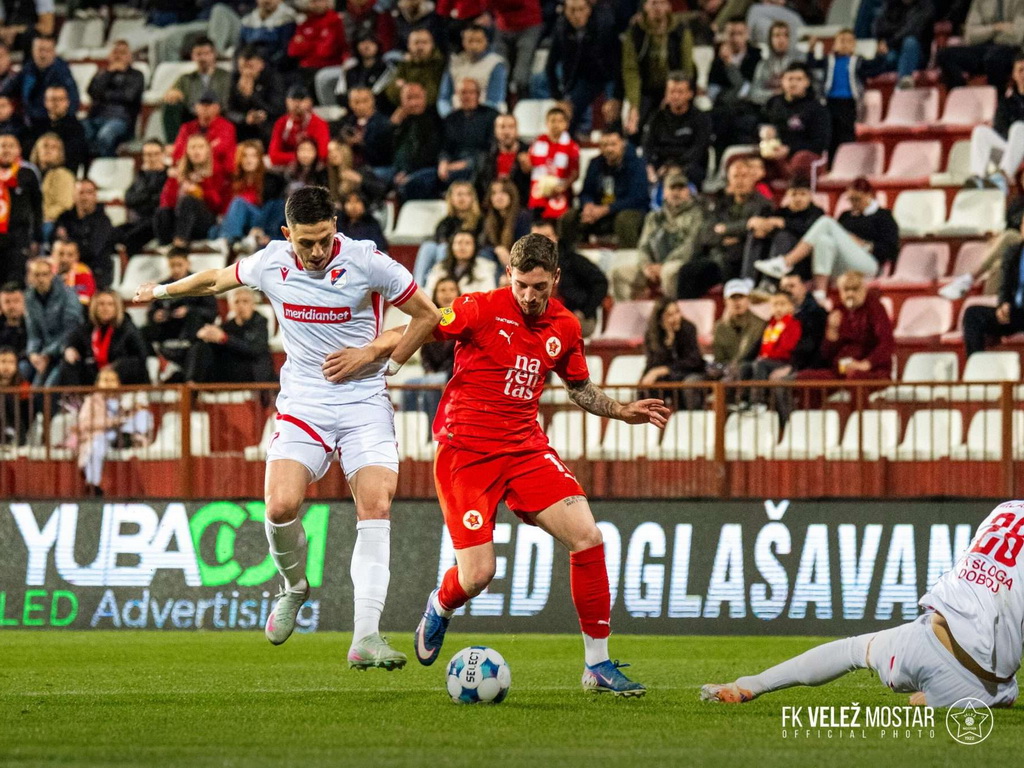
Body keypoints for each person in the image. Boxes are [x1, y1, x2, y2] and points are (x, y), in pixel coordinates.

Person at [342, 233, 669, 693]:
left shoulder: (566, 327)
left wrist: (621, 410)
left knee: (588, 537)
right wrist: (374, 351)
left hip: (525, 450)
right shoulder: (478, 307)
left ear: (555, 278)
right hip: (466, 454)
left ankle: (596, 665)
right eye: (521, 286)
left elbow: (579, 388)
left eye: (539, 287)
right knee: (478, 574)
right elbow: (421, 324)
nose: (530, 296)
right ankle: (440, 605)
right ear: (507, 277)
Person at [133, 185, 442, 668]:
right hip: (304, 402)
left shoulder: (368, 261)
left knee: (376, 505)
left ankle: (366, 636)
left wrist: (381, 356)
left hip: (364, 401)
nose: (317, 252)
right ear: (286, 235)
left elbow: (429, 315)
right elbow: (217, 280)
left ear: (335, 228)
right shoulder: (271, 262)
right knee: (279, 506)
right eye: (306, 243)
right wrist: (163, 290)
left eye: (324, 239)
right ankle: (295, 586)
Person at [702, 500, 1023, 708]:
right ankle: (943, 697)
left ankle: (750, 685)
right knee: (1005, 689)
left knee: (854, 650)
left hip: (920, 643)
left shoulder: (1005, 510)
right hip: (977, 682)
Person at [755, 177, 899, 291]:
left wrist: (865, 245)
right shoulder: (845, 215)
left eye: (857, 199)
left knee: (826, 222)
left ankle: (786, 262)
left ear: (869, 196)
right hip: (841, 264)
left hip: (868, 263)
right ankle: (820, 293)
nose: (853, 203)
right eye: (850, 199)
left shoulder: (883, 216)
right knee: (824, 241)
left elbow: (891, 250)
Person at [680, 158, 773, 298]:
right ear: (729, 180)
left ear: (753, 178)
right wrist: (745, 226)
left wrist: (725, 229)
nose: (740, 181)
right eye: (736, 176)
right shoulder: (720, 202)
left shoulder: (764, 204)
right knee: (688, 271)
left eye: (744, 176)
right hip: (717, 257)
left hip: (741, 260)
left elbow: (758, 232)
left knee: (729, 265)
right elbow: (705, 233)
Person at [613, 170, 703, 301]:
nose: (676, 192)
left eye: (681, 188)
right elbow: (643, 245)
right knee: (619, 274)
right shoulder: (654, 217)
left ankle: (670, 315)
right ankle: (628, 318)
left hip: (679, 264)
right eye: (672, 188)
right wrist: (646, 266)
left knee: (669, 273)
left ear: (688, 191)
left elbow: (691, 246)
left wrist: (663, 266)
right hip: (652, 266)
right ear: (665, 192)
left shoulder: (697, 215)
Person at [794, 271, 894, 383]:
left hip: (872, 371)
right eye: (846, 290)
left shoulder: (875, 308)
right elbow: (827, 355)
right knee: (803, 378)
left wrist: (867, 364)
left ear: (863, 290)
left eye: (855, 289)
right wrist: (831, 334)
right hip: (840, 372)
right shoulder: (838, 311)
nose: (850, 294)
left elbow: (886, 343)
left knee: (855, 378)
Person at [141, 248, 219, 381]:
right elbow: (151, 312)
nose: (176, 269)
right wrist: (155, 315)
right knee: (141, 333)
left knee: (198, 336)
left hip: (193, 334)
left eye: (179, 265)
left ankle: (190, 384)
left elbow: (212, 313)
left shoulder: (201, 284)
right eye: (172, 265)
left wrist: (189, 310)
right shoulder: (162, 287)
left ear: (188, 263)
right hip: (168, 331)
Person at [76, 366, 154, 497]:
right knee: (98, 444)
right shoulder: (92, 401)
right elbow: (84, 424)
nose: (109, 384)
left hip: (121, 430)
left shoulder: (123, 399)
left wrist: (132, 411)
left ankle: (129, 437)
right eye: (105, 380)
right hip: (102, 433)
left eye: (113, 380)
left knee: (144, 415)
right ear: (98, 383)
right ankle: (93, 484)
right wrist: (111, 422)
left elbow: (126, 418)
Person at [545, 0, 620, 136]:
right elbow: (550, 65)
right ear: (565, 10)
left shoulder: (606, 24)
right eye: (572, 10)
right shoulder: (561, 27)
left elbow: (618, 62)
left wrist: (616, 96)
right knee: (567, 115)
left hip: (609, 75)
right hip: (583, 79)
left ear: (589, 9)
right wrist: (559, 98)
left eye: (580, 9)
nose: (576, 15)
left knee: (613, 113)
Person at [621, 0, 695, 135]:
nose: (658, 8)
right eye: (654, 3)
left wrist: (672, 94)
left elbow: (687, 69)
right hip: (645, 90)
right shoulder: (635, 32)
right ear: (645, 6)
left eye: (662, 3)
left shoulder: (680, 30)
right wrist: (634, 105)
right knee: (634, 126)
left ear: (668, 6)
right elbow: (631, 71)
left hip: (675, 87)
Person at [566, 129, 648, 248]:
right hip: (598, 210)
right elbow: (585, 192)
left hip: (628, 210)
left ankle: (629, 258)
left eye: (613, 144)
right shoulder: (595, 163)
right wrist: (588, 205)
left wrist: (607, 209)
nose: (609, 149)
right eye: (604, 145)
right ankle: (571, 258)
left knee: (625, 220)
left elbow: (637, 198)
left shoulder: (637, 164)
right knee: (569, 218)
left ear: (622, 144)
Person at [530, 217, 608, 338]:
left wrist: (585, 311)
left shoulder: (574, 261)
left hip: (575, 316)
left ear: (556, 238)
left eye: (547, 237)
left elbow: (601, 283)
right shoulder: (524, 266)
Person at [741, 177, 824, 283]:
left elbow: (810, 230)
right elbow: (770, 224)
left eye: (803, 194)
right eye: (794, 194)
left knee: (783, 236)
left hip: (802, 260)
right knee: (756, 234)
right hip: (776, 252)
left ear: (810, 196)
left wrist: (784, 223)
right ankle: (748, 280)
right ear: (787, 195)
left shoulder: (816, 213)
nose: (798, 198)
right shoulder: (781, 212)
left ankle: (769, 283)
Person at [184, 287, 275, 384]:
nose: (241, 306)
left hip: (253, 371)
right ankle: (191, 385)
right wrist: (205, 335)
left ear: (253, 304)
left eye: (245, 301)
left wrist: (224, 338)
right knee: (200, 347)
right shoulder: (228, 326)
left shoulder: (260, 322)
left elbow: (255, 349)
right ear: (230, 305)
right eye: (236, 302)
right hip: (230, 371)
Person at [58, 290, 148, 387]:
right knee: (67, 363)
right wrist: (69, 349)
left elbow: (140, 356)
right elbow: (71, 341)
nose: (105, 308)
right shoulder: (87, 327)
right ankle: (73, 399)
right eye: (101, 304)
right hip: (93, 373)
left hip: (120, 376)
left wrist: (115, 366)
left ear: (117, 307)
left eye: (110, 304)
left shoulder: (127, 328)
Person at [154, 135, 229, 249]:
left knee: (189, 200)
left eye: (200, 147)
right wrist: (179, 185)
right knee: (162, 211)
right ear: (187, 151)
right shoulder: (178, 174)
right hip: (180, 219)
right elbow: (166, 202)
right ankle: (164, 246)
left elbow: (217, 204)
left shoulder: (217, 172)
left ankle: (180, 242)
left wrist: (201, 189)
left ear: (208, 151)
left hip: (205, 222)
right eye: (193, 147)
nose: (196, 151)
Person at [401, 276, 458, 425]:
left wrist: (441, 374)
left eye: (452, 290)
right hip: (433, 374)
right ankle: (414, 434)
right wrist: (429, 370)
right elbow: (424, 354)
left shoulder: (464, 317)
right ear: (435, 294)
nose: (447, 294)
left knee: (433, 382)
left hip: (454, 375)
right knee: (408, 384)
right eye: (442, 290)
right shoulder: (429, 320)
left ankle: (433, 432)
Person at [760, 63, 830, 181]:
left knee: (800, 159)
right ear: (782, 81)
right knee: (746, 158)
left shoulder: (817, 109)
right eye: (789, 79)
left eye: (799, 79)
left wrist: (789, 149)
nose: (793, 83)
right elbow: (758, 123)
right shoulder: (773, 103)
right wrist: (762, 131)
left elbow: (820, 143)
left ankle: (797, 194)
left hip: (802, 154)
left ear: (807, 82)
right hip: (773, 152)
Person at [642, 74, 712, 188]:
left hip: (689, 165)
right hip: (660, 164)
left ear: (690, 94)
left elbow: (699, 148)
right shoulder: (656, 117)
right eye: (671, 92)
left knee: (693, 172)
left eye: (680, 92)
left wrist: (675, 167)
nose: (675, 96)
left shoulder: (701, 118)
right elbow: (647, 145)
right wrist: (649, 167)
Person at [937, 0, 1024, 93]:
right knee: (945, 55)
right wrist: (996, 28)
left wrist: (985, 33)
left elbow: (1017, 36)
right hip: (984, 47)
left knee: (993, 57)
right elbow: (970, 36)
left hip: (1012, 49)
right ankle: (961, 96)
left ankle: (999, 99)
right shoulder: (980, 2)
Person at [219, 139, 287, 253]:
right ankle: (234, 241)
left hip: (261, 220)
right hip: (237, 224)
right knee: (216, 227)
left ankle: (231, 241)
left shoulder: (271, 180)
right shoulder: (232, 181)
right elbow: (225, 211)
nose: (249, 160)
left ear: (259, 159)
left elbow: (274, 207)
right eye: (245, 156)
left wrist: (260, 229)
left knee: (238, 202)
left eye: (253, 156)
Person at [162, 37, 232, 143]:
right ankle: (173, 144)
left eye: (206, 53)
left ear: (214, 54)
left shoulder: (226, 77)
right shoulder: (185, 78)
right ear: (193, 56)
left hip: (221, 117)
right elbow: (171, 93)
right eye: (198, 54)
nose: (202, 58)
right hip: (193, 119)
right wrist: (172, 93)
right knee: (171, 104)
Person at [639, 298, 705, 410]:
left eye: (677, 312)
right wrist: (668, 342)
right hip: (668, 377)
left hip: (689, 372)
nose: (676, 318)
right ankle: (652, 422)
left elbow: (694, 361)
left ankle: (687, 420)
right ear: (660, 320)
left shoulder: (688, 328)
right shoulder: (652, 334)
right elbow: (653, 363)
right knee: (649, 385)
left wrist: (664, 369)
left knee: (686, 384)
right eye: (669, 315)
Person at [82, 40, 145, 158]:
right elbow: (92, 92)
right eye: (115, 52)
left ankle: (106, 168)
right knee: (80, 131)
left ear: (130, 57)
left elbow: (129, 96)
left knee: (105, 135)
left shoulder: (136, 75)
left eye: (122, 53)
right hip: (96, 116)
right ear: (109, 56)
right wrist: (109, 74)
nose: (118, 56)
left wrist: (105, 95)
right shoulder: (102, 73)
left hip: (121, 119)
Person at [963, 236, 1024, 356]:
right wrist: (1003, 304)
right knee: (973, 314)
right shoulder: (1014, 252)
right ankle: (976, 367)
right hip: (1016, 313)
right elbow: (1005, 285)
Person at [1, 36, 78, 128]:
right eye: (40, 50)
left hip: (54, 125)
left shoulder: (62, 73)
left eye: (47, 50)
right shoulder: (28, 69)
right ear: (33, 51)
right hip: (28, 123)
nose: (43, 55)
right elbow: (6, 90)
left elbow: (72, 104)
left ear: (54, 52)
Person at [24, 257, 79, 386]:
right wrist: (32, 353)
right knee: (34, 388)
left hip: (66, 349)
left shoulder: (68, 295)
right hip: (45, 353)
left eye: (45, 274)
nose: (41, 279)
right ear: (30, 277)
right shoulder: (29, 298)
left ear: (52, 275)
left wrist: (47, 353)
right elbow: (33, 332)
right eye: (37, 275)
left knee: (49, 388)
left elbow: (72, 330)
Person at [970, 52, 1024, 180]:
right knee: (980, 131)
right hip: (1013, 149)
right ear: (1014, 75)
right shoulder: (1006, 102)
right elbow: (999, 128)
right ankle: (977, 177)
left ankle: (1004, 176)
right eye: (1020, 70)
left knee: (1019, 127)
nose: (1023, 74)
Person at [52, 180, 113, 290]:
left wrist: (68, 242)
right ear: (74, 195)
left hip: (95, 271)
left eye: (89, 193)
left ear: (95, 196)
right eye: (81, 193)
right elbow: (54, 243)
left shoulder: (103, 221)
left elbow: (92, 250)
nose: (84, 197)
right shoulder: (64, 217)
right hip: (64, 270)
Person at [437, 24, 508, 117]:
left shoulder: (496, 64)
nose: (474, 45)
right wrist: (449, 116)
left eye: (478, 41)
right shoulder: (454, 62)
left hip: (486, 116)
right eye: (470, 41)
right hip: (456, 115)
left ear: (486, 41)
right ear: (463, 42)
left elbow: (495, 99)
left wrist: (475, 120)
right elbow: (443, 98)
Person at [112, 140, 168, 258]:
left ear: (163, 154)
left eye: (155, 154)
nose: (151, 158)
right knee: (112, 233)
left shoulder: (168, 176)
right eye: (147, 154)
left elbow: (159, 201)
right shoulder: (141, 175)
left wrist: (142, 198)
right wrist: (148, 196)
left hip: (158, 224)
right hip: (139, 220)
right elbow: (128, 199)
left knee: (130, 238)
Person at [0, 132, 42, 287]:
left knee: (15, 281)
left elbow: (37, 207)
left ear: (18, 150)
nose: (6, 150)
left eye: (11, 146)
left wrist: (37, 238)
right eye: (3, 146)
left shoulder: (27, 173)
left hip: (18, 236)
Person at [391, 82, 444, 200]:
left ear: (425, 97)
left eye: (417, 97)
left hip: (427, 170)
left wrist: (406, 171)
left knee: (410, 184)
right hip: (398, 169)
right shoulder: (398, 122)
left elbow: (430, 153)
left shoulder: (435, 120)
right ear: (401, 101)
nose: (414, 103)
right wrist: (392, 126)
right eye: (409, 98)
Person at [226, 45, 285, 148]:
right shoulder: (234, 79)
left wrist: (253, 96)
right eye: (242, 67)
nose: (246, 71)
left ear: (261, 65)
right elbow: (228, 110)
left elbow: (277, 109)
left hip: (267, 122)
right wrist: (245, 118)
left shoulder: (273, 79)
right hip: (243, 123)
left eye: (250, 67)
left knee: (269, 127)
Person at [527, 107, 579, 220]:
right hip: (538, 193)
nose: (556, 124)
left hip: (560, 194)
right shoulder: (537, 142)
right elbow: (529, 166)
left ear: (566, 124)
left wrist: (563, 186)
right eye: (553, 121)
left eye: (560, 121)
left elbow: (575, 173)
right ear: (546, 123)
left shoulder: (571, 146)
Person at [171, 90, 238, 176]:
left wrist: (193, 150)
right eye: (202, 105)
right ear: (196, 107)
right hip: (190, 173)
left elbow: (221, 150)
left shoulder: (227, 127)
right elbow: (178, 152)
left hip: (219, 175)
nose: (205, 108)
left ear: (217, 107)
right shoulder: (187, 128)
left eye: (209, 105)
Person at [24, 85, 87, 175]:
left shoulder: (76, 128)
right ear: (45, 102)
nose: (56, 103)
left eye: (60, 99)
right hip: (37, 172)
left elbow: (78, 155)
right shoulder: (36, 126)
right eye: (52, 99)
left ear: (67, 102)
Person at [873, 0, 935, 89]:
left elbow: (912, 30)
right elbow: (879, 27)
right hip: (894, 50)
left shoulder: (925, 6)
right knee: (889, 57)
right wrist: (883, 41)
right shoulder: (891, 4)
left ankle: (902, 84)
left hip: (917, 54)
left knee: (910, 42)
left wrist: (889, 41)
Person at [287, 0, 347, 90]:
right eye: (313, 2)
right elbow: (293, 51)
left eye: (320, 1)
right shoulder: (305, 22)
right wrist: (317, 43)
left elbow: (325, 51)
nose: (316, 5)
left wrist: (305, 44)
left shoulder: (335, 20)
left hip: (327, 66)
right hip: (304, 68)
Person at [489, 0, 542, 98]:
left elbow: (517, 2)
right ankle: (501, 106)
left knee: (521, 75)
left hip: (528, 24)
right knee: (500, 70)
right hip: (503, 26)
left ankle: (521, 105)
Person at [336, 87, 393, 175]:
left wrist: (361, 143)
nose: (361, 106)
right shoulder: (348, 122)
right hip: (351, 165)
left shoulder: (383, 123)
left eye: (365, 101)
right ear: (350, 103)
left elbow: (384, 155)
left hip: (375, 167)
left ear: (373, 101)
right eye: (356, 102)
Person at [424, 230, 497, 297]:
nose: (462, 247)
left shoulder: (484, 267)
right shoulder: (440, 267)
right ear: (451, 246)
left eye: (467, 243)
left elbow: (488, 296)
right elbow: (429, 293)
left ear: (474, 247)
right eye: (459, 243)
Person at [30, 132, 74, 242]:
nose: (48, 150)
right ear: (37, 151)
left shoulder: (64, 175)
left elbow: (65, 205)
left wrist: (37, 217)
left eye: (54, 147)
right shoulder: (27, 174)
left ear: (60, 153)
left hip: (50, 222)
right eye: (45, 146)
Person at [477, 114, 531, 207]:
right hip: (492, 208)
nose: (506, 131)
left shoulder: (530, 153)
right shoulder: (486, 156)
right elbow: (479, 185)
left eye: (511, 127)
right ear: (495, 131)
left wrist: (529, 170)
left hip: (522, 207)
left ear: (517, 130)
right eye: (502, 127)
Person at [479, 177, 531, 273]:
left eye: (503, 192)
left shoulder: (522, 216)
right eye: (494, 193)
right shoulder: (489, 219)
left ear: (511, 195)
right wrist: (498, 249)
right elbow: (482, 244)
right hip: (497, 261)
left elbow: (525, 247)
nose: (499, 197)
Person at [334, 32, 394, 112]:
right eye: (362, 42)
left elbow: (381, 97)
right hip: (351, 113)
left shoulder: (386, 69)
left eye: (371, 42)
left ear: (377, 46)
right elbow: (340, 94)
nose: (366, 46)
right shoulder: (350, 70)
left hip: (378, 114)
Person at [386, 28, 446, 108]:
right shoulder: (404, 63)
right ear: (409, 45)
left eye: (424, 42)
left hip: (432, 111)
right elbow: (391, 91)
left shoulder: (440, 63)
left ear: (432, 44)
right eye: (416, 43)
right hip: (404, 107)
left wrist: (407, 90)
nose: (420, 47)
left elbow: (434, 93)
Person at [779, 273, 825, 372]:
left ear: (804, 287)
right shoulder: (778, 313)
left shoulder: (815, 312)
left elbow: (809, 345)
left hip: (805, 365)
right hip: (780, 359)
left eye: (792, 286)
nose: (787, 290)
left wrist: (791, 366)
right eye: (784, 287)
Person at [749, 20, 802, 106]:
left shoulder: (799, 63)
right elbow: (754, 94)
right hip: (768, 108)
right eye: (777, 35)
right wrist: (774, 94)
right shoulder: (763, 65)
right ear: (770, 39)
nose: (781, 39)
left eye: (785, 35)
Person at [238, 0, 298, 69]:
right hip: (248, 68)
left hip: (275, 70)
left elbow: (285, 51)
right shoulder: (248, 20)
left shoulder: (288, 20)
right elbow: (239, 48)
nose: (267, 1)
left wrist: (265, 64)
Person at [0, 344, 30, 446]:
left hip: (18, 424)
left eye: (11, 362)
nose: (6, 366)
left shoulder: (23, 385)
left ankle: (10, 433)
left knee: (5, 396)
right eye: (3, 361)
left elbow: (26, 412)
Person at [52, 238, 95, 308]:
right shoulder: (44, 271)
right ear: (53, 254)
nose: (64, 259)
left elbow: (82, 303)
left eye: (70, 255)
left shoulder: (83, 272)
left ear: (77, 256)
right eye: (61, 254)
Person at [0, 281, 29, 380]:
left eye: (16, 301)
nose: (12, 306)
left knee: (23, 367)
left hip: (24, 362)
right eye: (7, 302)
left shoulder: (32, 324)